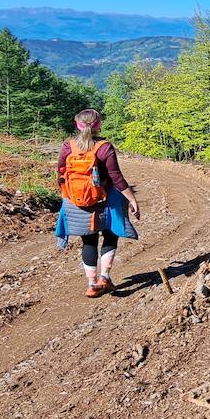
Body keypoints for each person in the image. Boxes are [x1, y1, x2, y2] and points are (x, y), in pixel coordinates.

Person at [54, 108, 141, 297]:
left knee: (88, 240)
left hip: (75, 201)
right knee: (110, 235)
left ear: (77, 125)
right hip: (104, 200)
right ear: (98, 125)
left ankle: (92, 285)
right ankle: (105, 277)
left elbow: (60, 171)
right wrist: (132, 199)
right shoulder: (104, 147)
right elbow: (116, 177)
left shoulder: (68, 146)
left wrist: (68, 194)